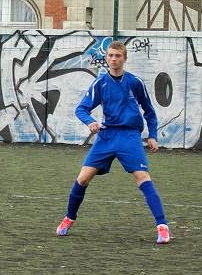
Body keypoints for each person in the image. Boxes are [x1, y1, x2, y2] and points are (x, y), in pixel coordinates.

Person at [56, 40, 171, 244]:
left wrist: (152, 134)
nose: (113, 59)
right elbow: (81, 109)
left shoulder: (135, 82)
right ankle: (69, 218)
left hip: (129, 137)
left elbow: (149, 111)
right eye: (110, 55)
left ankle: (162, 227)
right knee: (82, 179)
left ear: (124, 59)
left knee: (143, 177)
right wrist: (90, 121)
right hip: (107, 137)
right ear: (106, 58)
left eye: (117, 56)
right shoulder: (100, 83)